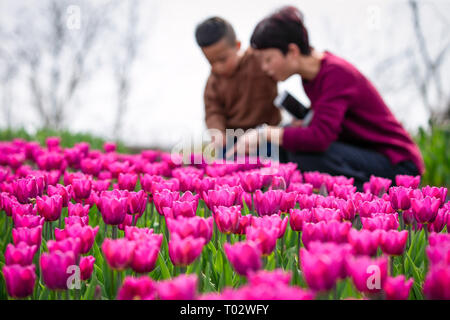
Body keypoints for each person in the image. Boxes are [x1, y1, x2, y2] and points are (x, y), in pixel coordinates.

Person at [233, 6, 424, 190]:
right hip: (365, 155)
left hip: (397, 164)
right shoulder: (310, 78)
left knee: (306, 154)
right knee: (290, 143)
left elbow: (320, 138)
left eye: (267, 59)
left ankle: (370, 204)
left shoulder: (336, 73)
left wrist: (264, 133)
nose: (265, 68)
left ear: (292, 51)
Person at [195, 16, 281, 153]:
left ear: (237, 45)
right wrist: (217, 132)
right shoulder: (213, 82)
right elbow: (213, 111)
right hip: (232, 141)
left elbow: (280, 72)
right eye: (211, 62)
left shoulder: (259, 61)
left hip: (265, 136)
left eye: (222, 60)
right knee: (225, 169)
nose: (218, 67)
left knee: (273, 169)